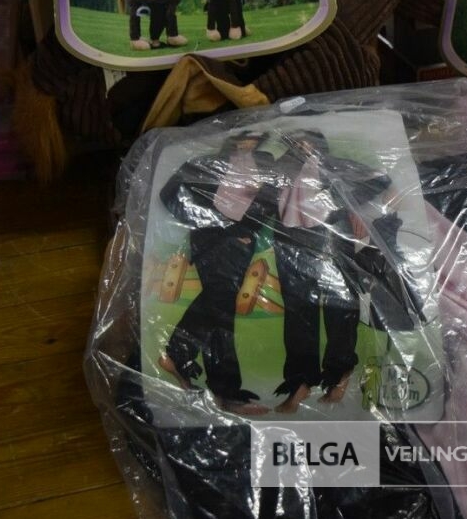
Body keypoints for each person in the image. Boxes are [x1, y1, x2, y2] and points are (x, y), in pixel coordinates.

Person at [268, 129, 395, 413]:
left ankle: (339, 373)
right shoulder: (282, 169)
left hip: (331, 237)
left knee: (339, 307)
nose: (303, 147)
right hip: (290, 240)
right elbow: (261, 196)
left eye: (308, 143)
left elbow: (379, 178)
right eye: (296, 143)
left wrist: (339, 200)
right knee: (298, 312)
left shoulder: (335, 166)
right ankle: (301, 381)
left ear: (319, 145)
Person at [157, 130, 276, 416]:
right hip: (211, 241)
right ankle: (220, 388)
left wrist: (247, 230)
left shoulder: (267, 163)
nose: (249, 141)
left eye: (256, 136)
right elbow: (169, 193)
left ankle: (199, 372)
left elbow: (271, 200)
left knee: (220, 310)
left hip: (240, 242)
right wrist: (206, 221)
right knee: (220, 306)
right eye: (245, 135)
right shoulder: (206, 163)